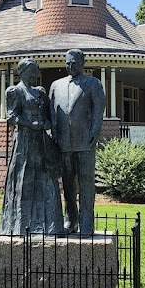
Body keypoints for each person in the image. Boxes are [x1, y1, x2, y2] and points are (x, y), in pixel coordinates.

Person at [0, 59, 64, 235]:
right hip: (24, 142)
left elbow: (49, 116)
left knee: (46, 180)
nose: (35, 75)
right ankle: (21, 225)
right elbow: (11, 117)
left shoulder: (41, 93)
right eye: (32, 71)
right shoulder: (14, 91)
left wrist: (45, 123)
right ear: (23, 72)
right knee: (25, 178)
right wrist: (30, 123)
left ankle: (49, 225)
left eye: (36, 71)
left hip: (41, 142)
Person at [49, 49, 106, 234]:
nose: (71, 66)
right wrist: (53, 134)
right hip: (63, 142)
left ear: (82, 63)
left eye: (74, 63)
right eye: (68, 63)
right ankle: (70, 221)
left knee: (87, 183)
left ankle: (86, 223)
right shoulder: (56, 85)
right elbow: (51, 113)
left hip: (85, 141)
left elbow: (98, 111)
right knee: (68, 185)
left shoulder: (93, 84)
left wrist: (95, 131)